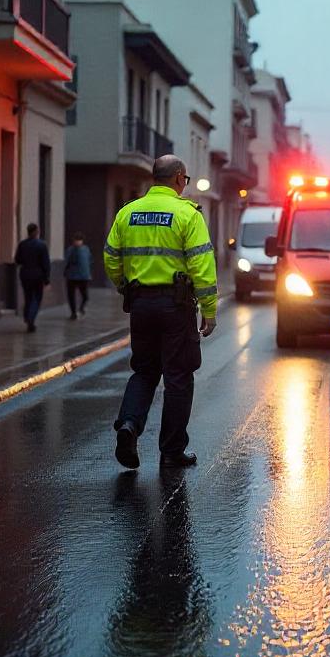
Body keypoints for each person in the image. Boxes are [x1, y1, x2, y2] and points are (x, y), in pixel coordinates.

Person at [105, 155, 218, 471]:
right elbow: (202, 267)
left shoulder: (128, 213)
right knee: (178, 377)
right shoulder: (187, 214)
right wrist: (209, 310)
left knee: (144, 370)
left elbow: (111, 257)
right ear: (180, 178)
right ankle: (171, 452)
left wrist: (126, 288)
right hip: (176, 307)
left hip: (140, 304)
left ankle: (129, 424)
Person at [14, 223, 50, 333]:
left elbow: (17, 260)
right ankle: (31, 318)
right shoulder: (42, 245)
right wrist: (47, 278)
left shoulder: (22, 244)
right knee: (37, 298)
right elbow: (46, 263)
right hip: (38, 275)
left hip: (25, 274)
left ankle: (26, 315)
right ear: (36, 232)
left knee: (28, 296)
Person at [64, 232, 93, 319]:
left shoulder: (86, 249)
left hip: (83, 276)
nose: (77, 242)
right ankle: (73, 313)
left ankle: (81, 308)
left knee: (85, 296)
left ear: (82, 241)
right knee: (71, 295)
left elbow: (90, 261)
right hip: (72, 276)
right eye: (75, 240)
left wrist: (88, 273)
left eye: (78, 240)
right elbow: (67, 261)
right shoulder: (70, 250)